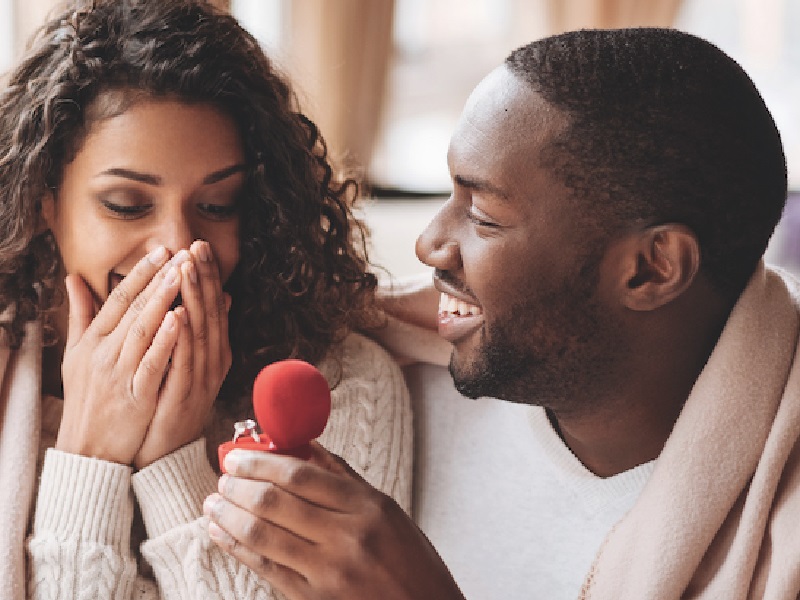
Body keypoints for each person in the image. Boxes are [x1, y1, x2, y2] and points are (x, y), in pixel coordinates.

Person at [204, 27, 800, 600]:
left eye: (483, 215)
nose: (430, 245)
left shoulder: (781, 529)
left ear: (651, 269)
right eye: (451, 195)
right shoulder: (377, 384)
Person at [0, 1, 413, 598]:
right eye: (126, 203)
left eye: (218, 206)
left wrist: (173, 459)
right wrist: (89, 456)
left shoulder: (341, 388)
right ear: (45, 202)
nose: (180, 248)